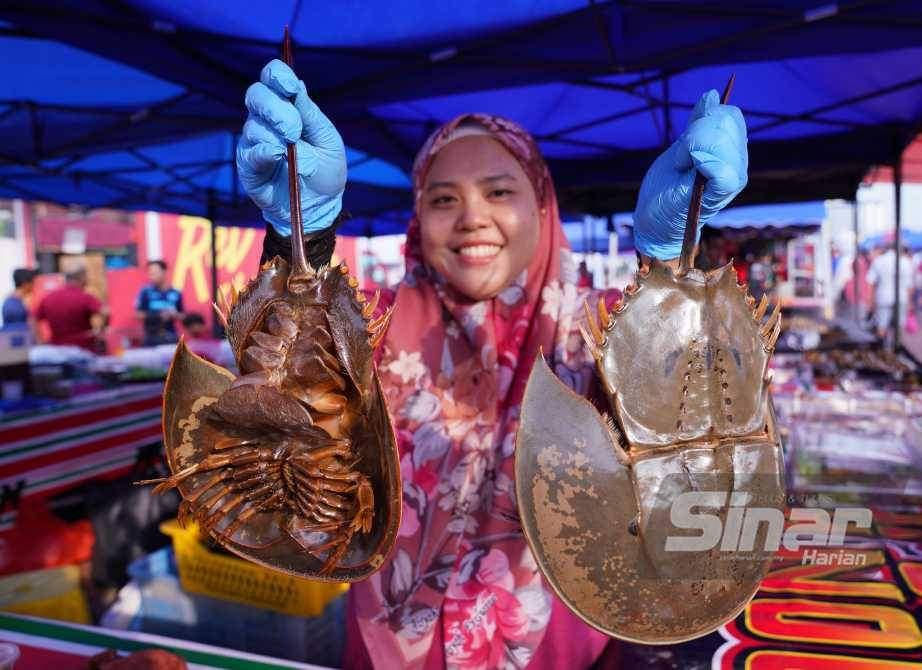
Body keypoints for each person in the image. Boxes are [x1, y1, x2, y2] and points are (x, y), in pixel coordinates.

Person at [236, 59, 748, 670]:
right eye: (443, 198)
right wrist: (302, 244)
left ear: (542, 208)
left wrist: (670, 272)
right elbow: (280, 426)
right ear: (417, 221)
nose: (472, 217)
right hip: (389, 652)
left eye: (499, 192)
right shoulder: (367, 330)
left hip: (564, 649)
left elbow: (696, 451)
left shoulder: (607, 332)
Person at [35, 266, 108, 352]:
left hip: (57, 350)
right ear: (81, 279)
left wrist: (39, 341)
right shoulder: (83, 297)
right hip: (82, 349)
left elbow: (33, 319)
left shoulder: (48, 298)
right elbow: (105, 312)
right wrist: (100, 331)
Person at [865, 244, 913, 344]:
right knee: (899, 326)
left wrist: (870, 300)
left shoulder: (879, 260)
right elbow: (909, 285)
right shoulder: (905, 262)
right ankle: (897, 347)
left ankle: (881, 349)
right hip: (901, 297)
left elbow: (870, 281)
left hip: (883, 296)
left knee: (882, 324)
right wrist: (910, 301)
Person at [136, 260, 183, 346]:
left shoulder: (176, 293)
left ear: (164, 272)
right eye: (150, 273)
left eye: (155, 272)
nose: (151, 276)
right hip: (151, 337)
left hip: (171, 336)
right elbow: (138, 315)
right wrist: (157, 315)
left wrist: (173, 314)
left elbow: (182, 315)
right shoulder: (145, 292)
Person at [1, 268, 38, 334]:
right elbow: (29, 327)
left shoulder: (9, 301)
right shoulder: (15, 304)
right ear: (25, 284)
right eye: (32, 282)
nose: (34, 286)